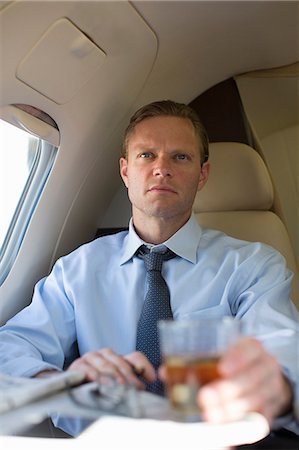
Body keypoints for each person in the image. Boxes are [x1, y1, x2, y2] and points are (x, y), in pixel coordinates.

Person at [0, 100, 298, 438]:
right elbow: (10, 348)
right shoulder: (77, 270)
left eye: (180, 156)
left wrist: (276, 388)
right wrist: (61, 384)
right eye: (146, 155)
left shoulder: (252, 266)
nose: (162, 168)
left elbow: (284, 352)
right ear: (126, 171)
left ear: (202, 174)